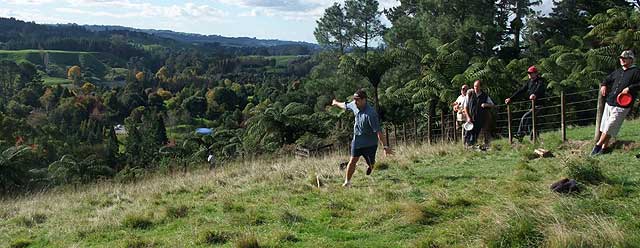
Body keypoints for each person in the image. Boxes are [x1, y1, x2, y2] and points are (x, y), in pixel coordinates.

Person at [331, 89, 393, 187]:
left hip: (370, 144)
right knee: (352, 161)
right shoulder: (354, 105)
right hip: (357, 141)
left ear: (364, 100)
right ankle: (347, 182)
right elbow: (345, 105)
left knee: (372, 164)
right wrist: (335, 103)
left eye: (358, 100)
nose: (355, 102)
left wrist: (385, 146)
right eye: (354, 99)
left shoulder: (371, 114)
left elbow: (378, 131)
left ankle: (371, 166)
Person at [591, 50, 640, 155]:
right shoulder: (618, 71)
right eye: (621, 58)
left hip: (623, 104)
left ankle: (597, 146)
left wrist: (629, 88)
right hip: (610, 102)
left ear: (631, 60)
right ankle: (604, 149)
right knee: (606, 126)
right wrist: (604, 85)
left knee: (610, 125)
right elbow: (607, 79)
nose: (621, 60)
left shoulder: (636, 71)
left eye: (624, 58)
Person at [504, 65, 546, 141]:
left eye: (531, 73)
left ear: (535, 73)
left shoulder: (541, 81)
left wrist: (535, 94)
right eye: (528, 73)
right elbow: (521, 91)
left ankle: (520, 134)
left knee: (525, 117)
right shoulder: (529, 82)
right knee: (532, 122)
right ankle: (534, 139)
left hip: (539, 105)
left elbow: (540, 89)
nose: (529, 74)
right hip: (532, 105)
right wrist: (511, 98)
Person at [463, 80, 495, 148]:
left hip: (479, 119)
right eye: (474, 86)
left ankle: (472, 150)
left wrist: (486, 104)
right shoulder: (470, 94)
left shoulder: (485, 96)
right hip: (470, 119)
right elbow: (465, 107)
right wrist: (468, 117)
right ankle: (466, 149)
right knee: (467, 135)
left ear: (481, 87)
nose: (475, 88)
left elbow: (492, 105)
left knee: (474, 136)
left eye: (477, 86)